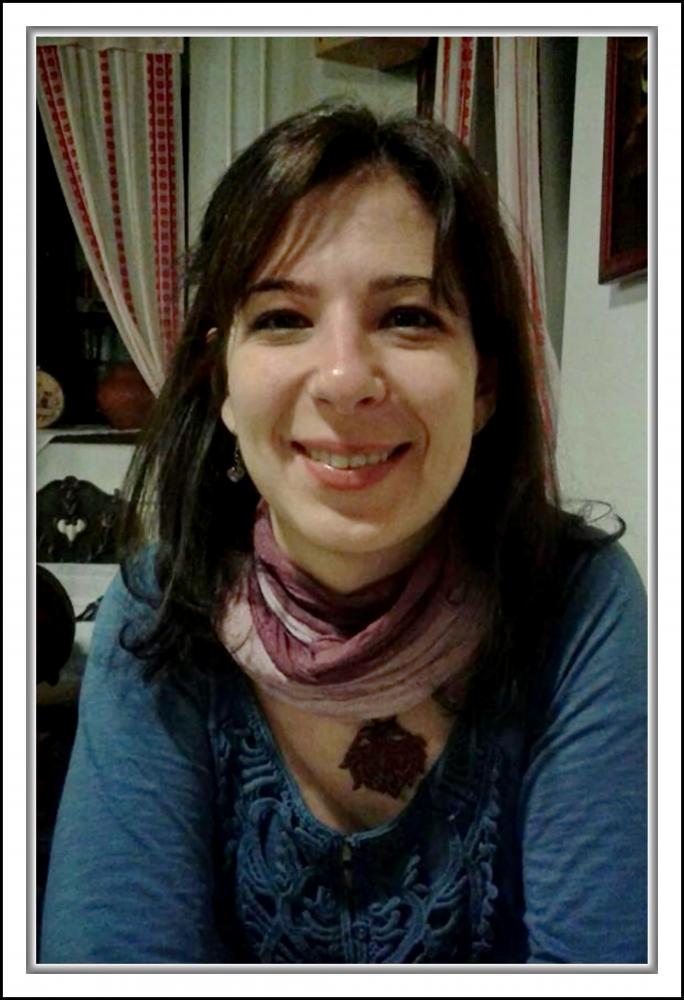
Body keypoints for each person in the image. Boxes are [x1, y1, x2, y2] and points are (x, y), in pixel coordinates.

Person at [40, 103, 647, 965]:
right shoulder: (163, 607)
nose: (343, 378)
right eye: (282, 318)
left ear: (484, 384)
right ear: (221, 383)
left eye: (408, 316)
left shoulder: (579, 602)